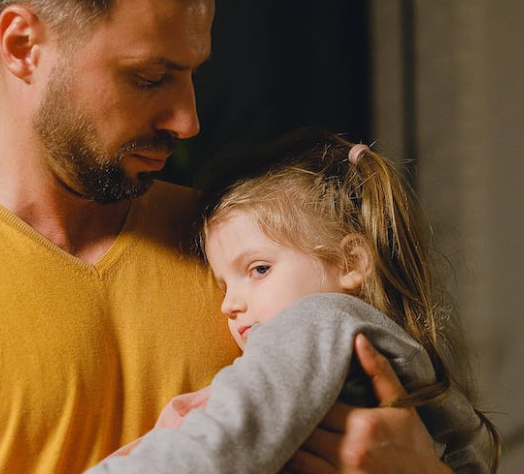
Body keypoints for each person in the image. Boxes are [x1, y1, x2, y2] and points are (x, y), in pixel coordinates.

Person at [0, 1, 472, 473]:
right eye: (151, 78)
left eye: (189, 76)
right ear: (23, 45)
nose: (188, 121)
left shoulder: (249, 250)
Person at [83, 132, 500, 474]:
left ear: (349, 262)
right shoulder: (390, 350)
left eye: (259, 269)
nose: (230, 304)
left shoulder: (318, 319)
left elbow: (231, 438)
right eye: (223, 283)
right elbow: (471, 450)